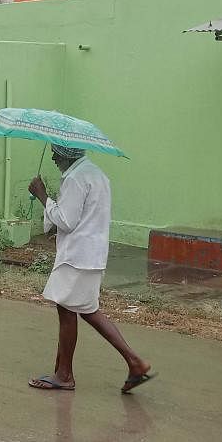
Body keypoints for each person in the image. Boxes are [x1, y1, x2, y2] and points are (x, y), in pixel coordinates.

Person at [27, 144, 153, 393]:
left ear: (66, 153)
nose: (52, 156)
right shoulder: (96, 174)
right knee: (83, 310)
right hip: (91, 254)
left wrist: (43, 196)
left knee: (71, 310)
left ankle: (66, 375)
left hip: (76, 255)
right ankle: (67, 369)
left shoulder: (75, 179)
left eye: (56, 151)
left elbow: (66, 220)